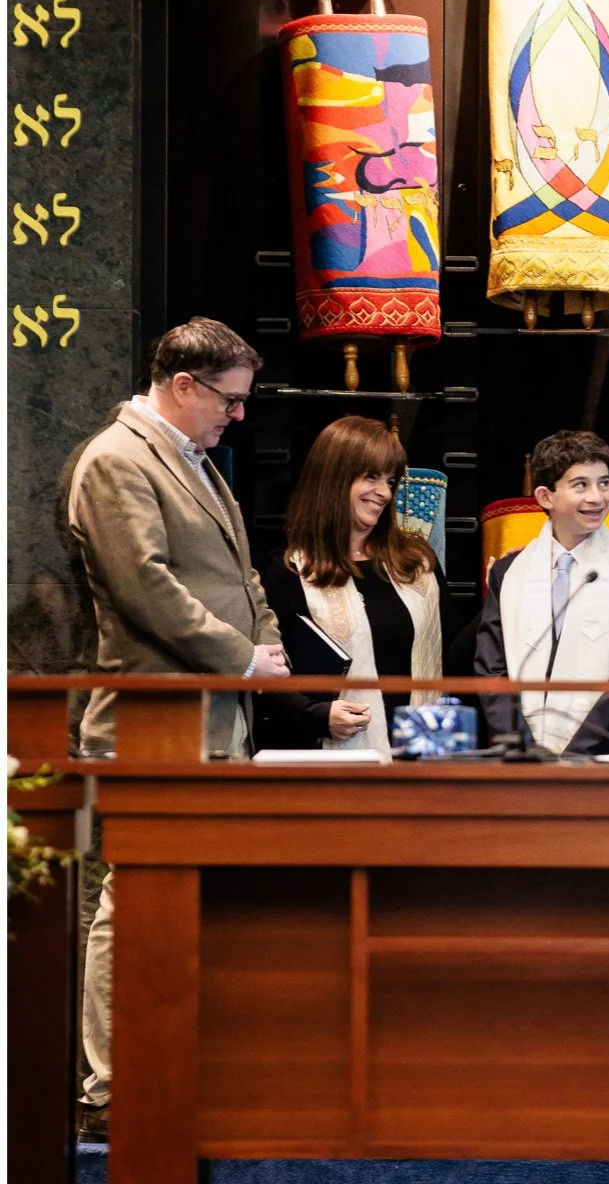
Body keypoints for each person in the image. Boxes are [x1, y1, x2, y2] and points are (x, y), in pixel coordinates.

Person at [64, 318, 289, 1142]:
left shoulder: (192, 458)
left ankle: (171, 1068)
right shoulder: (118, 460)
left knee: (191, 900)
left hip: (214, 717)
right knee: (130, 903)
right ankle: (110, 1091)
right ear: (184, 385)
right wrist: (241, 658)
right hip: (151, 722)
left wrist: (264, 643)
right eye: (228, 400)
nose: (237, 417)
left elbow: (240, 573)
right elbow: (146, 588)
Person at [260, 416, 444, 752]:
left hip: (418, 759)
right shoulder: (289, 572)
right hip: (333, 765)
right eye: (371, 477)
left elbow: (454, 658)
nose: (384, 492)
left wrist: (502, 584)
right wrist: (314, 715)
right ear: (333, 478)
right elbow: (267, 675)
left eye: (390, 481)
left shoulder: (417, 563)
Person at [477, 430, 609, 757]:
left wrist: (574, 755)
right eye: (581, 485)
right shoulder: (509, 573)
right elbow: (492, 668)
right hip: (521, 757)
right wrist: (524, 746)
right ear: (546, 497)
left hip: (598, 758)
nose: (597, 497)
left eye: (604, 483)